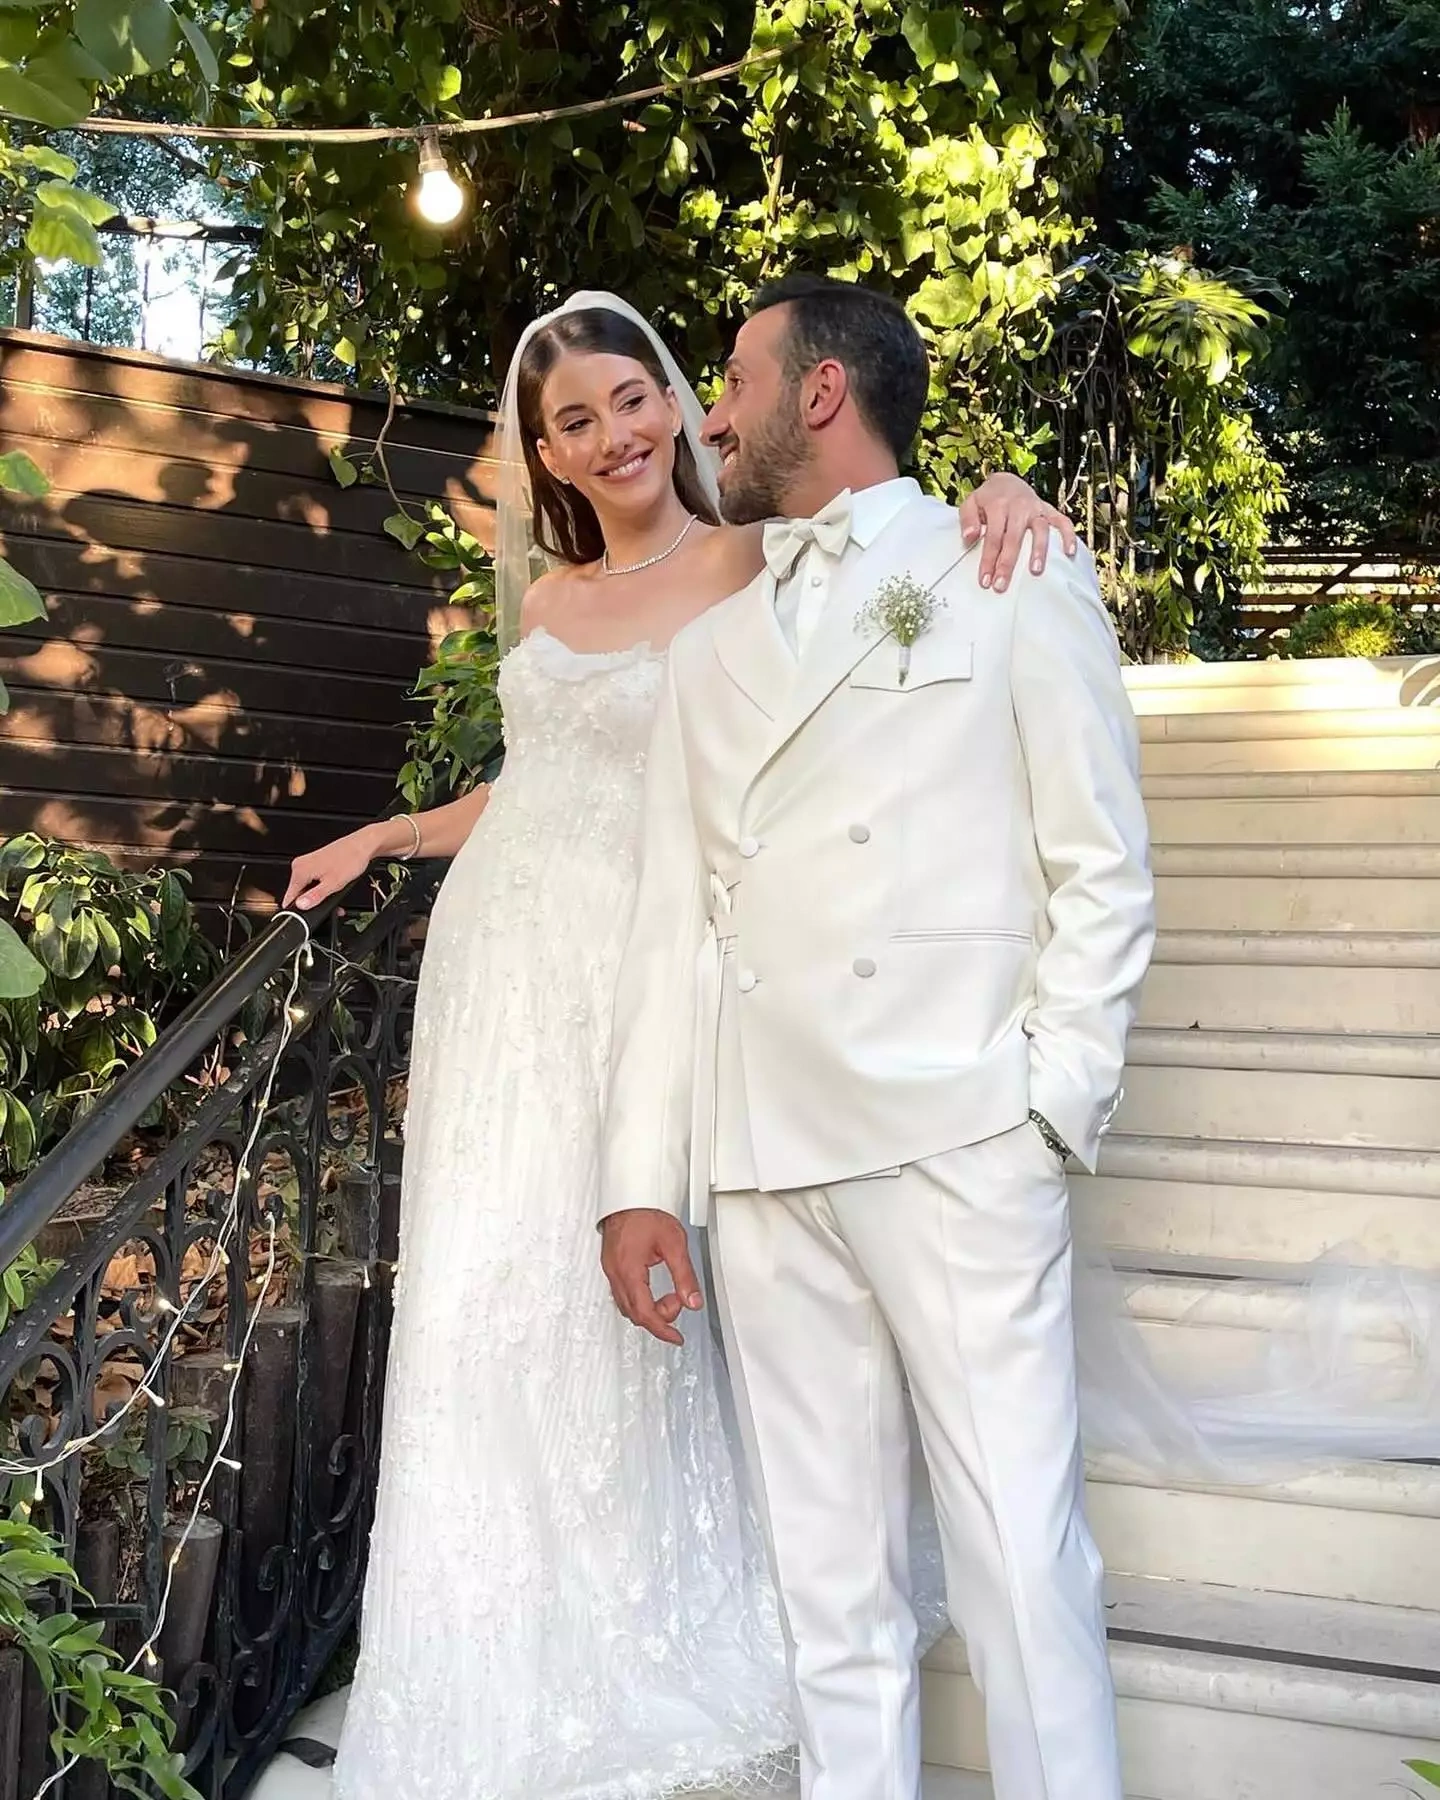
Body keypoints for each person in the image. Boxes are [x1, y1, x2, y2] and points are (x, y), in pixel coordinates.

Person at [277, 290, 1077, 1800]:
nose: (618, 434)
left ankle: (658, 1609)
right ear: (544, 456)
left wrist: (1005, 486)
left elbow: (882, 549)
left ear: (669, 398)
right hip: (510, 979)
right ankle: (503, 1648)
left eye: (634, 397)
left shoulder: (758, 559)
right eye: (572, 422)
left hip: (660, 974)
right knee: (494, 1301)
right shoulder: (543, 607)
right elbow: (533, 787)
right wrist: (387, 835)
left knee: (645, 1309)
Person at [598, 273, 1152, 1800]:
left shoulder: (1007, 562)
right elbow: (671, 924)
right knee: (830, 1593)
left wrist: (1049, 1105)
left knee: (1018, 1564)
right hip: (765, 1156)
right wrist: (643, 1179)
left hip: (956, 1134)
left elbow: (1101, 862)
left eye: (732, 379)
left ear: (822, 390)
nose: (709, 415)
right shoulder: (705, 655)